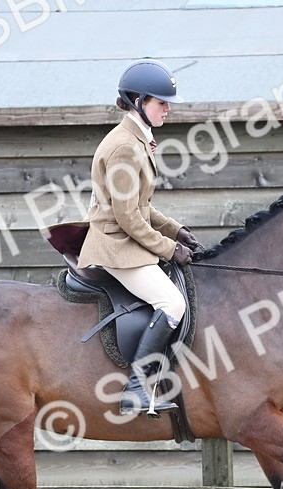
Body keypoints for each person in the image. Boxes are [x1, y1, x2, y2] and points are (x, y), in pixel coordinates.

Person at [77, 58, 202, 416]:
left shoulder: (135, 139)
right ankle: (136, 388)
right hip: (115, 246)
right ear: (138, 101)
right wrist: (169, 248)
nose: (167, 110)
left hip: (125, 239)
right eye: (161, 103)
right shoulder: (124, 147)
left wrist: (176, 230)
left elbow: (140, 206)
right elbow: (128, 217)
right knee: (172, 303)